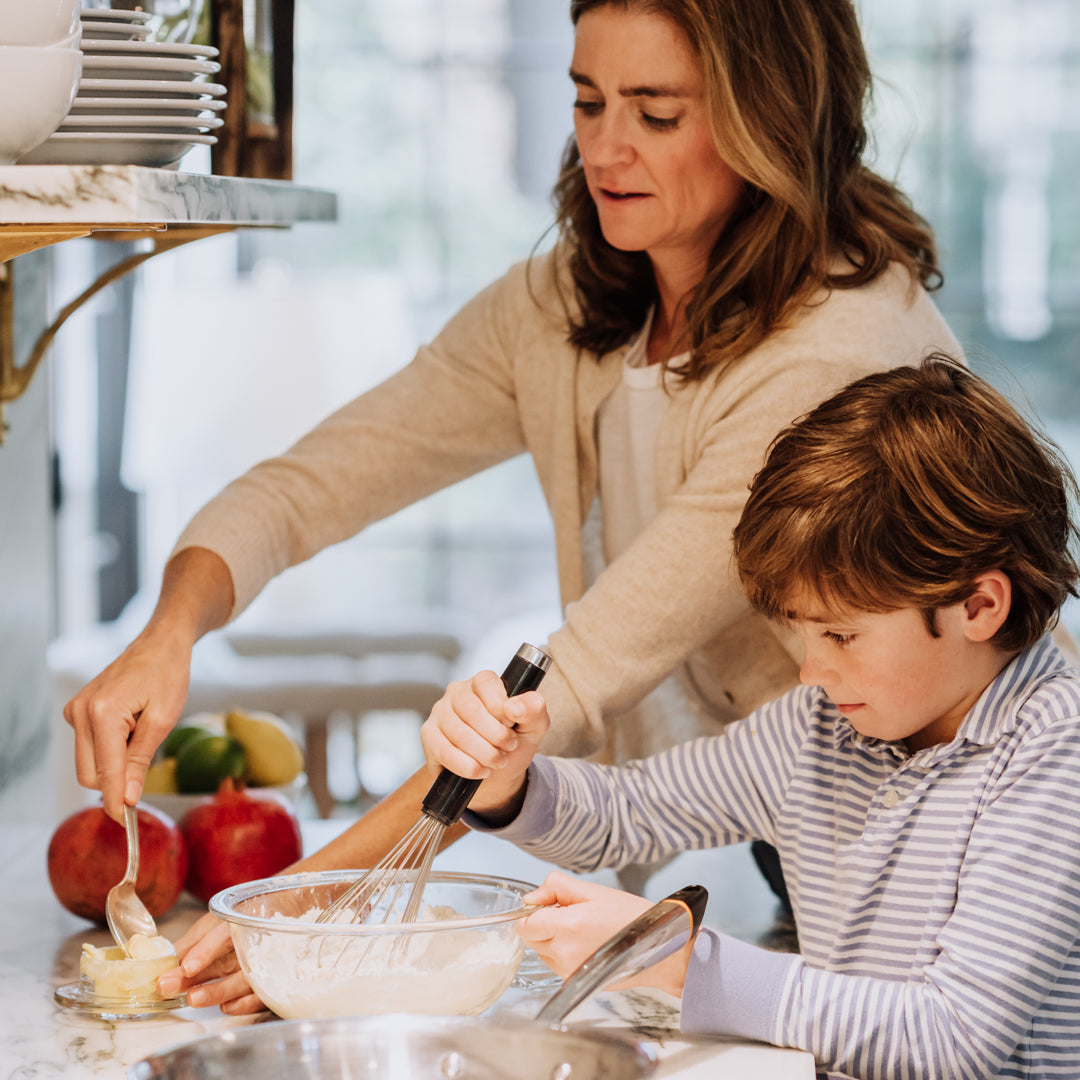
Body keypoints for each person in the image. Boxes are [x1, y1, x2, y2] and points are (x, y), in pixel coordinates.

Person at [72, 0, 958, 1012]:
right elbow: (308, 484)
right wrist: (169, 629)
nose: (605, 149)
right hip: (806, 822)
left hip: (940, 837)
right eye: (587, 102)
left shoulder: (827, 359)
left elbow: (574, 685)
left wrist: (297, 908)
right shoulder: (563, 308)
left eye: (657, 115)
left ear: (774, 118)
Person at [423, 355, 1080, 1077]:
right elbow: (626, 810)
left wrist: (684, 964)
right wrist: (507, 781)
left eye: (840, 635)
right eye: (802, 632)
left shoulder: (1056, 749)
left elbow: (952, 1040)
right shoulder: (819, 731)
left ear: (979, 606)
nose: (810, 670)